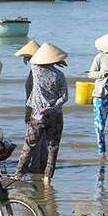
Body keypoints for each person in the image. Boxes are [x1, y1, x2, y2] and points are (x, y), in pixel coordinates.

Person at [13, 43, 69, 185]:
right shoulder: (60, 75)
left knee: (29, 145)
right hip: (55, 115)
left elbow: (30, 57)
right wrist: (51, 107)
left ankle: (18, 174)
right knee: (53, 146)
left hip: (38, 115)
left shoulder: (36, 70)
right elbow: (64, 97)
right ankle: (47, 177)